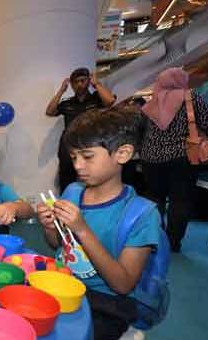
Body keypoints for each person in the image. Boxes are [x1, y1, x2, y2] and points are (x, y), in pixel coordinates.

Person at [37, 109, 162, 340]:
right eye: (74, 157)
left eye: (87, 156)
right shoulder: (73, 192)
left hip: (106, 301)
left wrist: (82, 229)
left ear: (122, 154)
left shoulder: (142, 215)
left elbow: (123, 284)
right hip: (62, 282)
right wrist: (49, 226)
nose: (78, 166)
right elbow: (59, 245)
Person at [140, 68, 208, 252]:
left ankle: (155, 238)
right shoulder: (191, 96)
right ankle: (173, 242)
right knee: (180, 201)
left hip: (151, 158)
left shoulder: (154, 99)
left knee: (155, 199)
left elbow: (142, 128)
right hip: (182, 157)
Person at [45, 67, 115, 192]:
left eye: (83, 80)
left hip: (91, 144)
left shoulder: (97, 98)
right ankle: (67, 205)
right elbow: (50, 111)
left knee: (93, 177)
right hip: (69, 147)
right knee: (66, 179)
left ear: (88, 81)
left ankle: (91, 206)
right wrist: (61, 90)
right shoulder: (68, 103)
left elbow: (110, 101)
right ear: (72, 85)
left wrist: (96, 84)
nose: (79, 84)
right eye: (76, 82)